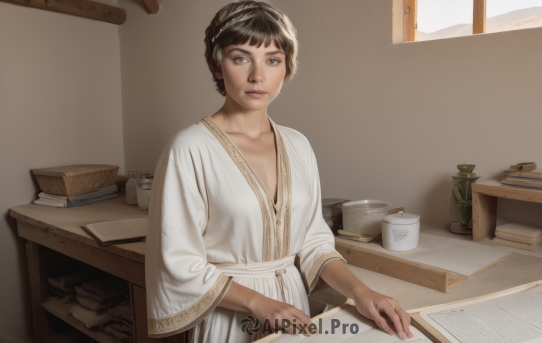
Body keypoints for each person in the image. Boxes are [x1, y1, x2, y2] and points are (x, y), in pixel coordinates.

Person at [144, 1, 413, 342]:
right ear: (216, 65)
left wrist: (361, 292)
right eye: (241, 57)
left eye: (272, 60)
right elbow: (177, 261)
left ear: (286, 68)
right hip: (232, 316)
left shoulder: (297, 145)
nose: (258, 76)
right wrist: (259, 304)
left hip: (294, 311)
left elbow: (313, 242)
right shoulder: (189, 149)